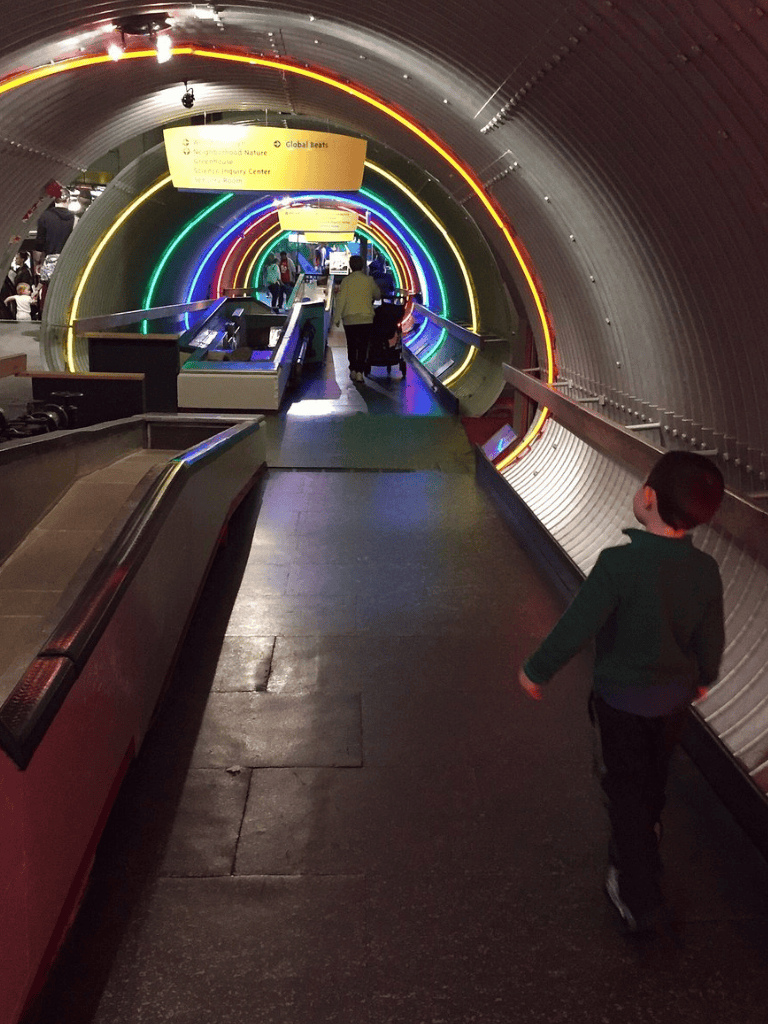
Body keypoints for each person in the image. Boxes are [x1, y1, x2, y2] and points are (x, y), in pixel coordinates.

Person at [518, 450, 725, 935]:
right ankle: (648, 829)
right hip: (673, 701)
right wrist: (704, 677)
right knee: (654, 775)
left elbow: (577, 626)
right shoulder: (706, 571)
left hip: (621, 702)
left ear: (648, 498)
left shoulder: (617, 565)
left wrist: (537, 670)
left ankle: (639, 893)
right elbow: (709, 636)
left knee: (623, 786)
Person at [333, 254, 381, 382]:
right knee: (363, 346)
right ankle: (360, 371)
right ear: (362, 266)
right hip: (366, 318)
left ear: (350, 266)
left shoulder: (346, 281)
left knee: (352, 344)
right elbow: (377, 295)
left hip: (349, 319)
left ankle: (353, 370)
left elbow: (341, 300)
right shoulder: (369, 280)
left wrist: (337, 318)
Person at [34, 188, 77, 311]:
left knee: (48, 295)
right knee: (65, 294)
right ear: (68, 200)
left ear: (55, 200)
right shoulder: (75, 219)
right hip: (67, 263)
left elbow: (39, 243)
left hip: (49, 261)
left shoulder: (44, 217)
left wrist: (38, 262)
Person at [1, 252, 34, 320]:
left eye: (17, 258)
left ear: (22, 259)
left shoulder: (25, 271)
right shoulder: (20, 270)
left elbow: (25, 283)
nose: (16, 260)